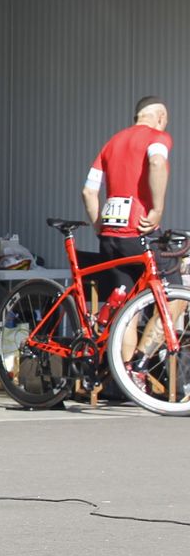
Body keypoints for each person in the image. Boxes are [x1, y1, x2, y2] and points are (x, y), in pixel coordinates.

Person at [82, 96, 180, 380]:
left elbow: (88, 192)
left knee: (127, 308)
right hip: (140, 232)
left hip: (110, 238)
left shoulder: (111, 143)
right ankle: (140, 363)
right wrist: (157, 208)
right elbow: (158, 162)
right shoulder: (157, 136)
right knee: (175, 296)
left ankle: (125, 382)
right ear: (160, 116)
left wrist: (98, 224)